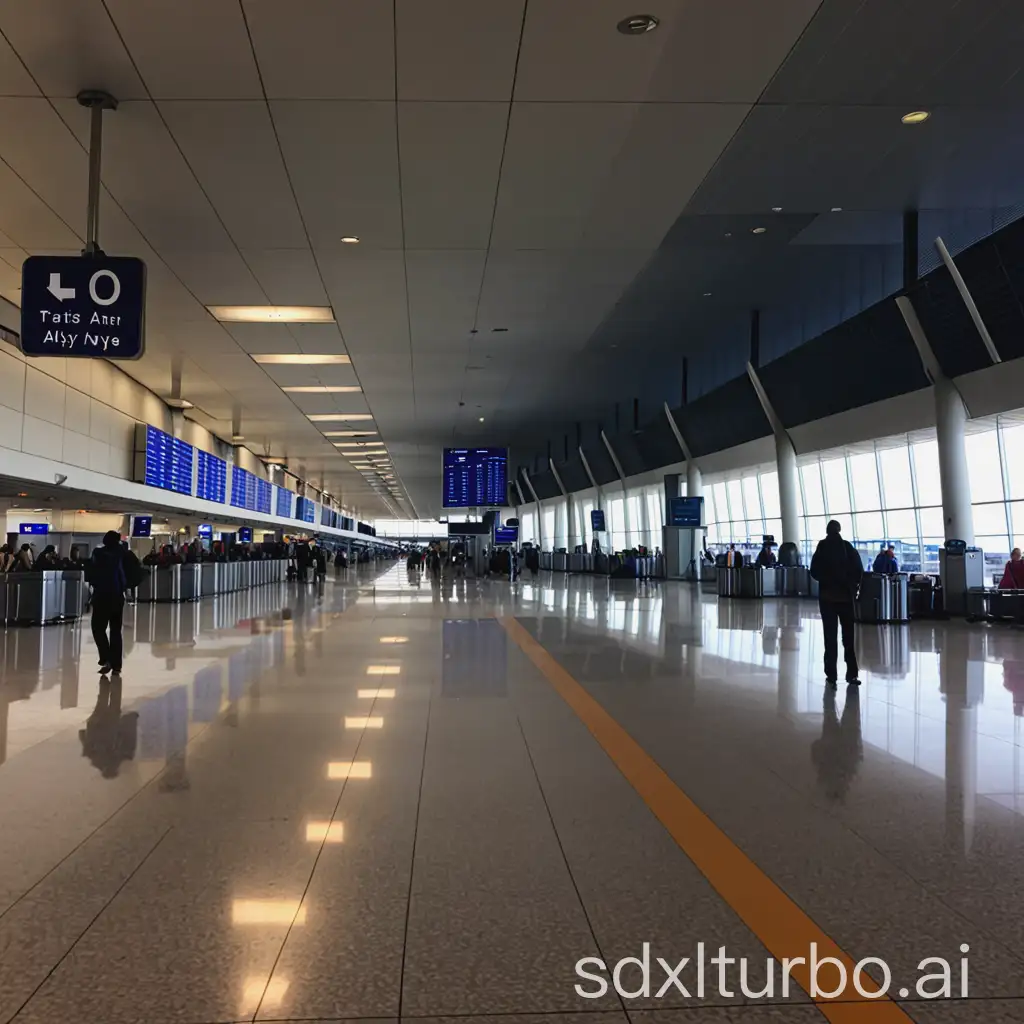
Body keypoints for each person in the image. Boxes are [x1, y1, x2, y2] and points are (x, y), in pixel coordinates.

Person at [809, 520, 864, 687]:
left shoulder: (822, 547)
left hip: (827, 599)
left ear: (827, 531)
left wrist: (826, 580)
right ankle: (852, 674)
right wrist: (851, 585)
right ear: (839, 530)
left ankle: (831, 675)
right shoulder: (847, 547)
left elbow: (814, 571)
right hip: (846, 599)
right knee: (848, 638)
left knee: (830, 638)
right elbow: (859, 570)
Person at [85, 531, 131, 677]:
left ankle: (106, 658)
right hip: (117, 596)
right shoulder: (124, 554)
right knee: (115, 631)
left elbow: (90, 573)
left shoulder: (98, 553)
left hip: (101, 596)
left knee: (98, 628)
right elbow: (134, 570)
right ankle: (116, 665)